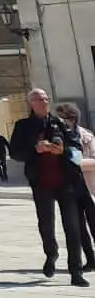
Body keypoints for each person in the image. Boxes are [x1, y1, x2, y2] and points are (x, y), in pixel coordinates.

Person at [8, 89, 88, 287]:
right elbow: (15, 153)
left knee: (73, 226)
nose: (44, 102)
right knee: (46, 223)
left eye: (46, 99)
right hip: (41, 182)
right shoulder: (23, 126)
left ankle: (76, 271)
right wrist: (35, 149)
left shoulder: (59, 123)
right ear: (31, 104)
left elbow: (76, 147)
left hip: (66, 181)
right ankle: (51, 254)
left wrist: (62, 149)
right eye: (39, 100)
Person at [55, 104, 95, 273]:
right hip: (70, 188)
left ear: (71, 119)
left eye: (63, 118)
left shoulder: (86, 136)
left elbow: (94, 160)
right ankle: (90, 259)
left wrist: (77, 164)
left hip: (88, 187)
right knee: (78, 227)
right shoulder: (57, 137)